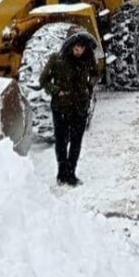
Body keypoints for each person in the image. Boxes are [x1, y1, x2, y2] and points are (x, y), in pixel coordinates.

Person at [39, 29, 99, 186]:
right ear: (70, 46)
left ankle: (71, 173)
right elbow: (43, 80)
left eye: (82, 48)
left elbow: (95, 73)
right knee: (61, 141)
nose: (79, 51)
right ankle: (62, 173)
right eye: (77, 48)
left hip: (80, 107)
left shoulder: (88, 59)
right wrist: (56, 91)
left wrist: (89, 87)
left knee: (76, 142)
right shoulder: (57, 59)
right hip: (61, 108)